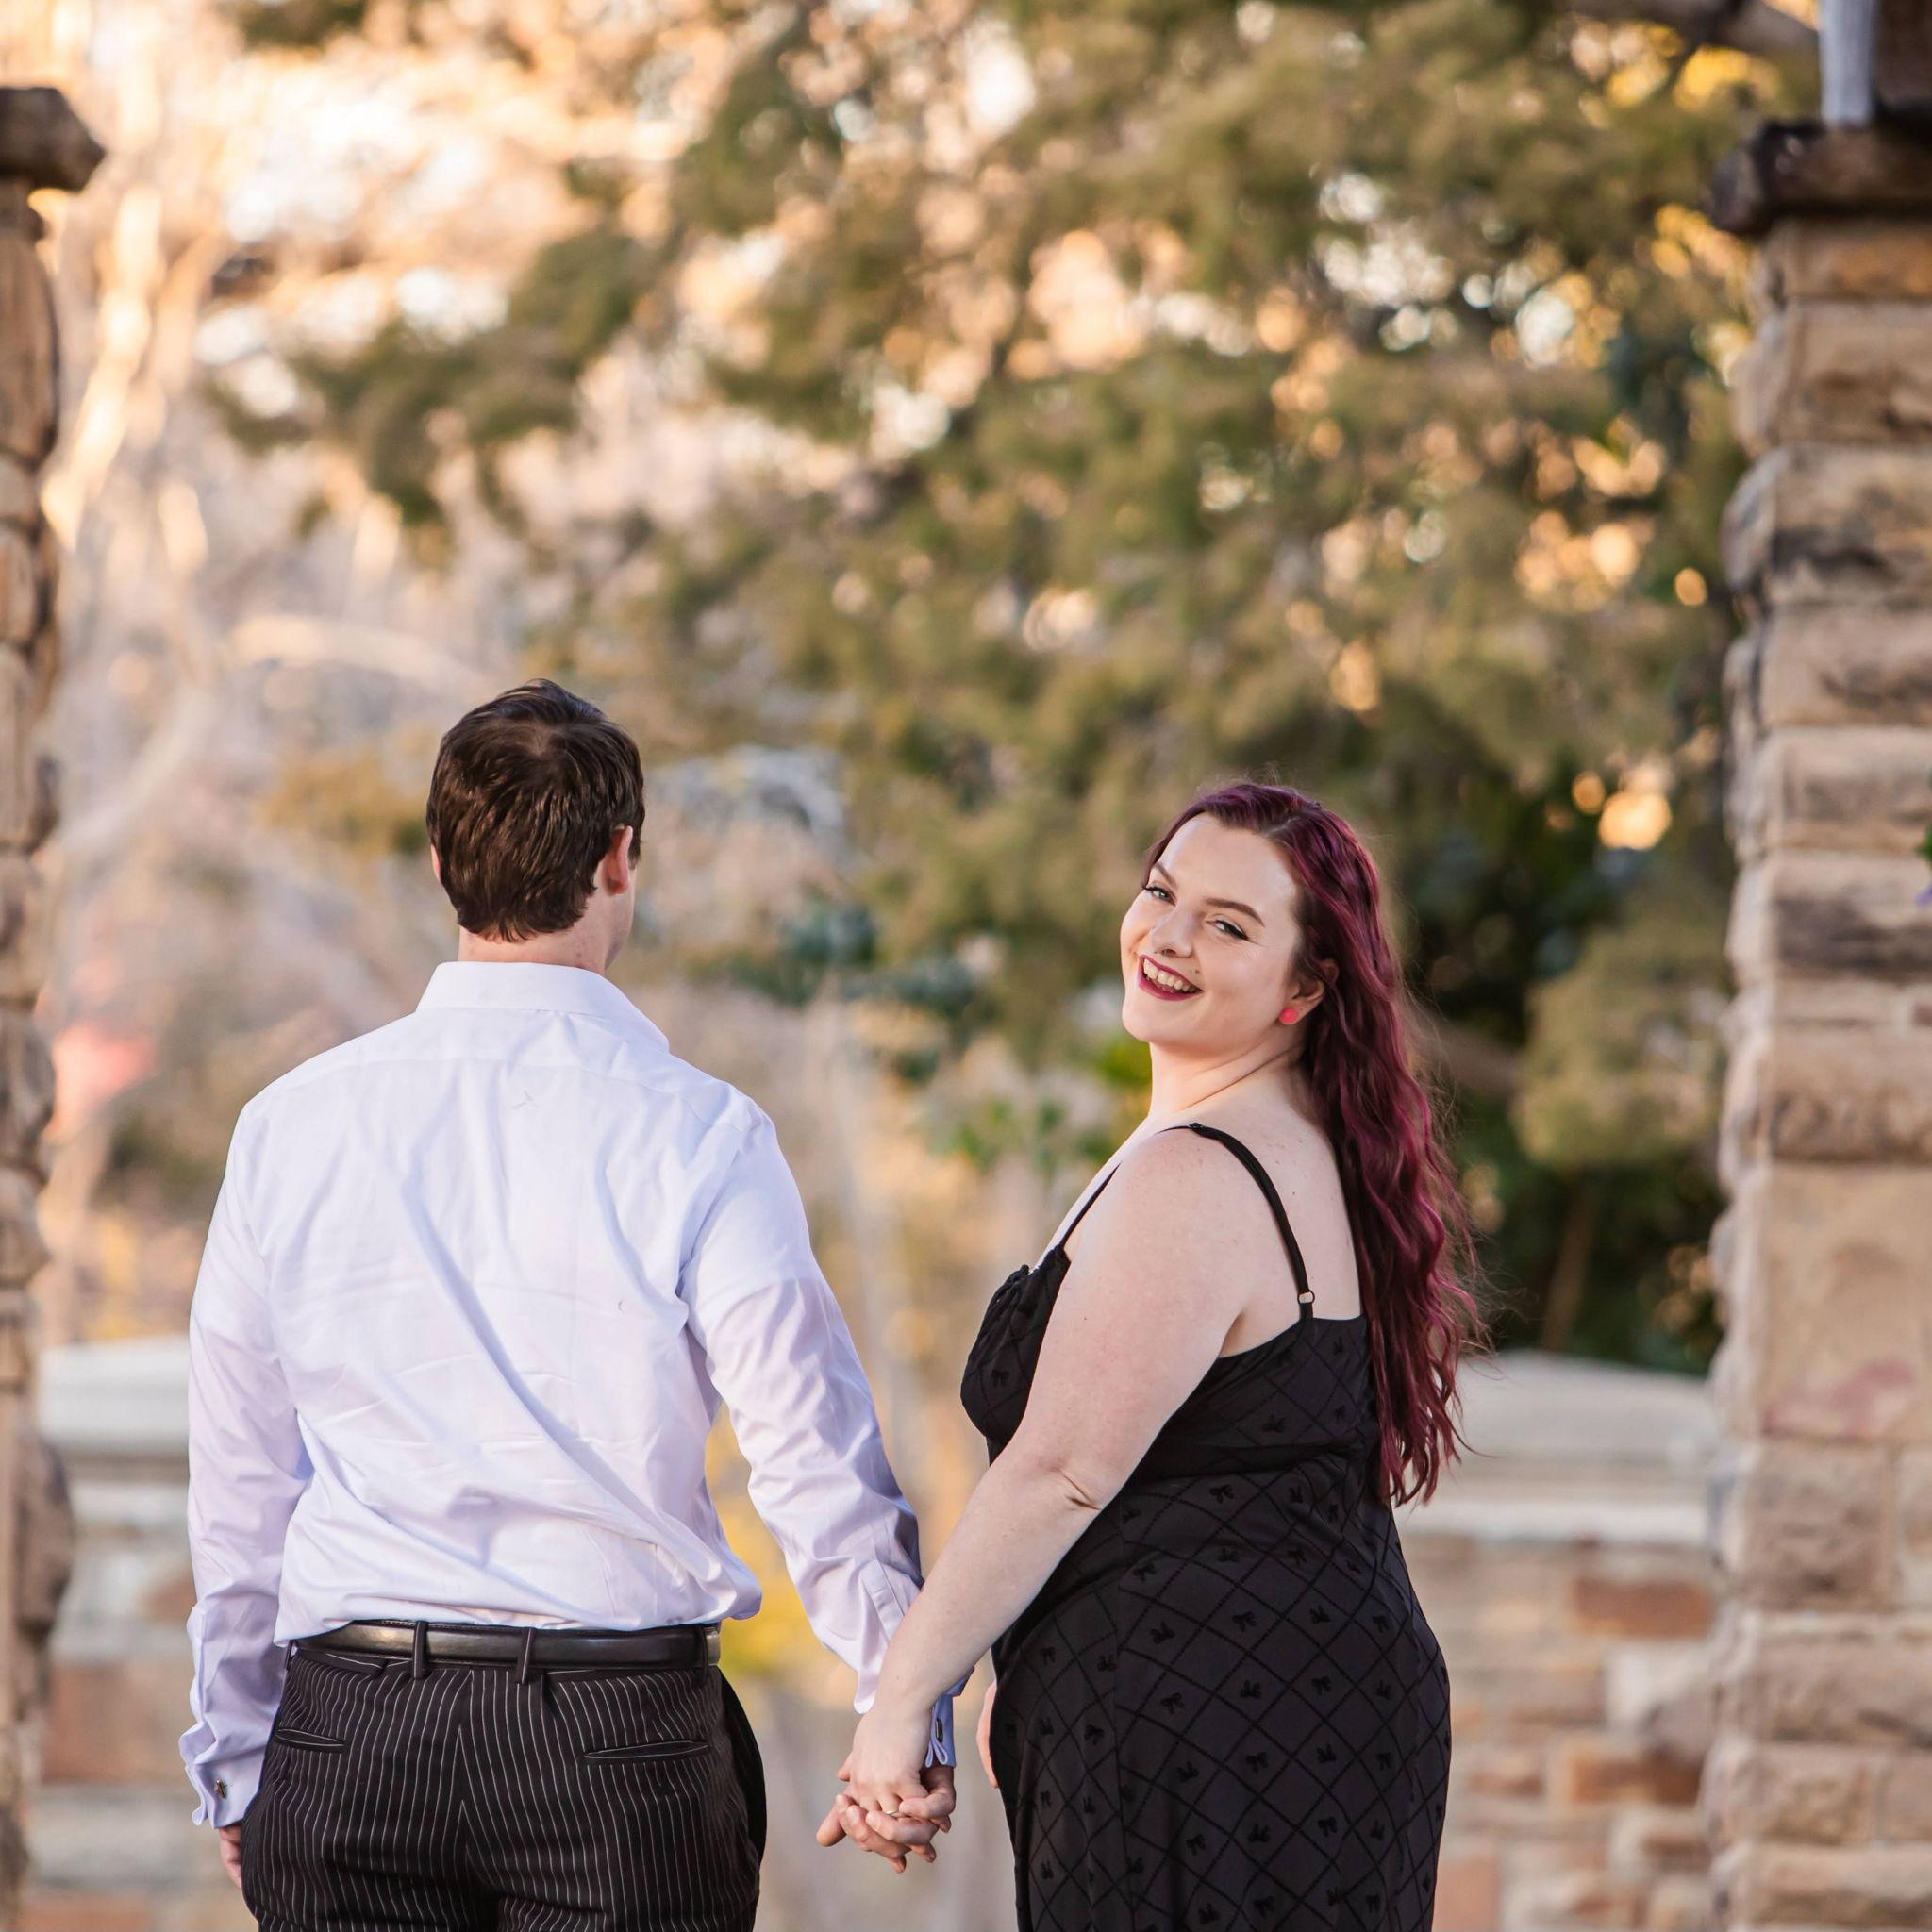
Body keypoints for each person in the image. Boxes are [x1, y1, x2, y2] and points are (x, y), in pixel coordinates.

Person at [179, 678, 956, 1932]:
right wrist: (898, 1697)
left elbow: (242, 1485)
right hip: (620, 1749)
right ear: (620, 857)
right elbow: (811, 1459)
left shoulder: (289, 1129)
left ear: (441, 862)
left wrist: (235, 1748)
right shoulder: (704, 1135)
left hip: (352, 1736)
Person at [825, 780, 1483, 1931]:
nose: (1169, 935)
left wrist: (901, 1698)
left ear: (1305, 986)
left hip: (1213, 1733)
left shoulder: (1197, 1173)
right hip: (1278, 1708)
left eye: (1228, 924)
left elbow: (1061, 1470)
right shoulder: (1275, 1143)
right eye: (1161, 892)